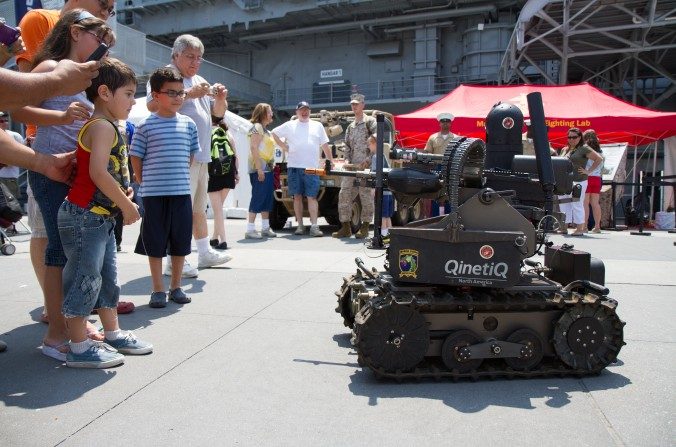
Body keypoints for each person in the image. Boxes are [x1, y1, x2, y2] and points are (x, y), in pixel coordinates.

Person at [10, 10, 114, 360]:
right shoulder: (49, 68)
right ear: (74, 32)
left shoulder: (82, 77)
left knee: (76, 252)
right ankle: (56, 335)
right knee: (59, 250)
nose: (101, 44)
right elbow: (18, 109)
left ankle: (73, 326)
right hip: (50, 170)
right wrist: (62, 116)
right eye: (96, 36)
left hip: (75, 174)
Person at [57, 58, 152, 368]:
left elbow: (103, 171)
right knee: (85, 279)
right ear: (104, 93)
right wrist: (126, 205)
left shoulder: (106, 126)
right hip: (86, 217)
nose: (132, 101)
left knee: (107, 278)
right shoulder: (101, 126)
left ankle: (112, 333)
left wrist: (120, 195)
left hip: (98, 216)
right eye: (128, 93)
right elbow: (98, 172)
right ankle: (79, 346)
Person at [146, 34, 231, 278]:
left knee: (197, 208)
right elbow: (152, 106)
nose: (196, 62)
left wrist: (221, 100)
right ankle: (174, 261)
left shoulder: (199, 80)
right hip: (179, 156)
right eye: (190, 56)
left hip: (201, 154)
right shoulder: (166, 76)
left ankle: (204, 252)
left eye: (199, 57)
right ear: (175, 55)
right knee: (179, 210)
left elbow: (216, 115)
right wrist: (188, 94)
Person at [131, 67, 199, 309]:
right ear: (155, 95)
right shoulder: (145, 126)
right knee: (155, 242)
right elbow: (136, 156)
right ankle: (158, 288)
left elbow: (190, 155)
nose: (178, 97)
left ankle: (176, 286)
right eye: (171, 92)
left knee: (180, 241)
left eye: (181, 93)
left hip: (181, 193)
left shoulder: (189, 124)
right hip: (153, 195)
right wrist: (142, 181)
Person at [272, 101, 333, 237]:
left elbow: (325, 145)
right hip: (294, 166)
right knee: (297, 197)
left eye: (306, 110)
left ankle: (314, 226)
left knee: (312, 197)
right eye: (301, 110)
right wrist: (284, 147)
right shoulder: (289, 125)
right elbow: (274, 133)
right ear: (297, 112)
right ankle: (300, 226)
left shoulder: (317, 126)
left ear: (310, 112)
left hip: (311, 167)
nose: (304, 112)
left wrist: (330, 160)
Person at [331, 93, 375, 239]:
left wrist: (368, 160)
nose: (354, 106)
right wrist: (347, 160)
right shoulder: (350, 126)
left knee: (365, 194)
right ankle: (346, 227)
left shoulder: (370, 122)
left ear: (363, 105)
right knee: (344, 194)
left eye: (357, 103)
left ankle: (365, 226)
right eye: (352, 104)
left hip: (365, 165)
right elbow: (347, 145)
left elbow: (376, 142)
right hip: (351, 166)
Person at [559, 127, 603, 236]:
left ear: (580, 137)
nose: (571, 139)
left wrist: (589, 171)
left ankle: (580, 228)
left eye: (574, 137)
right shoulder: (565, 149)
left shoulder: (584, 148)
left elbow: (598, 159)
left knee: (577, 203)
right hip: (565, 180)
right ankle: (564, 227)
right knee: (564, 203)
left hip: (579, 180)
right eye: (569, 137)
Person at [244, 103, 276, 239]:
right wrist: (259, 169)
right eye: (269, 112)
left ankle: (265, 227)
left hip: (267, 169)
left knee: (266, 199)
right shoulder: (256, 127)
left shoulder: (266, 130)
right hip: (260, 168)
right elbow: (254, 147)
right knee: (258, 197)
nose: (272, 114)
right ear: (263, 113)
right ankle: (250, 229)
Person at [208, 117, 238, 248]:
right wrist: (237, 173)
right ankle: (214, 238)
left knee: (217, 209)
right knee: (219, 207)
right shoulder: (227, 133)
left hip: (213, 172)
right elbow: (235, 155)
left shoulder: (207, 131)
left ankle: (223, 240)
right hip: (228, 171)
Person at [369, 136, 393, 241]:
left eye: (369, 144)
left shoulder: (375, 157)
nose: (368, 146)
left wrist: (374, 188)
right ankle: (391, 236)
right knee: (387, 216)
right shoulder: (382, 155)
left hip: (382, 191)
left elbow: (375, 174)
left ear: (374, 144)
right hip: (389, 191)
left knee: (382, 215)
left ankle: (383, 237)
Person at [583, 129, 605, 233]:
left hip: (587, 177)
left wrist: (588, 171)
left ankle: (585, 226)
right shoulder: (600, 151)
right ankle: (597, 227)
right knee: (595, 203)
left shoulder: (586, 149)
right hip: (597, 178)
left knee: (585, 203)